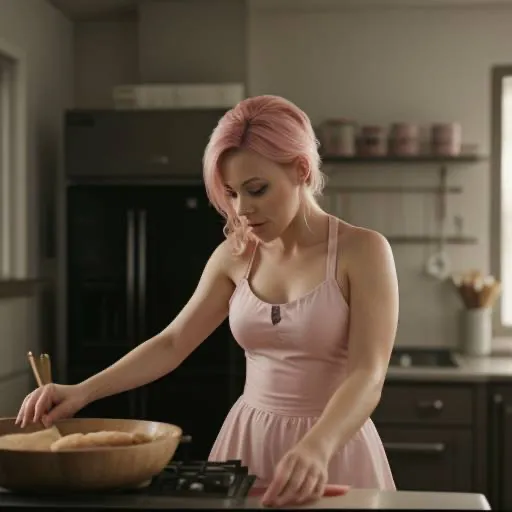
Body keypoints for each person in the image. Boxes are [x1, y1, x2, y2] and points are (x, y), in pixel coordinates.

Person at [15, 95, 398, 507]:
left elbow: (368, 375)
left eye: (256, 189)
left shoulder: (363, 251)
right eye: (232, 194)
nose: (242, 210)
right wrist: (82, 392)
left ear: (301, 169)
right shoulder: (235, 256)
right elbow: (172, 343)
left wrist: (317, 447)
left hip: (333, 443)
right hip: (248, 436)